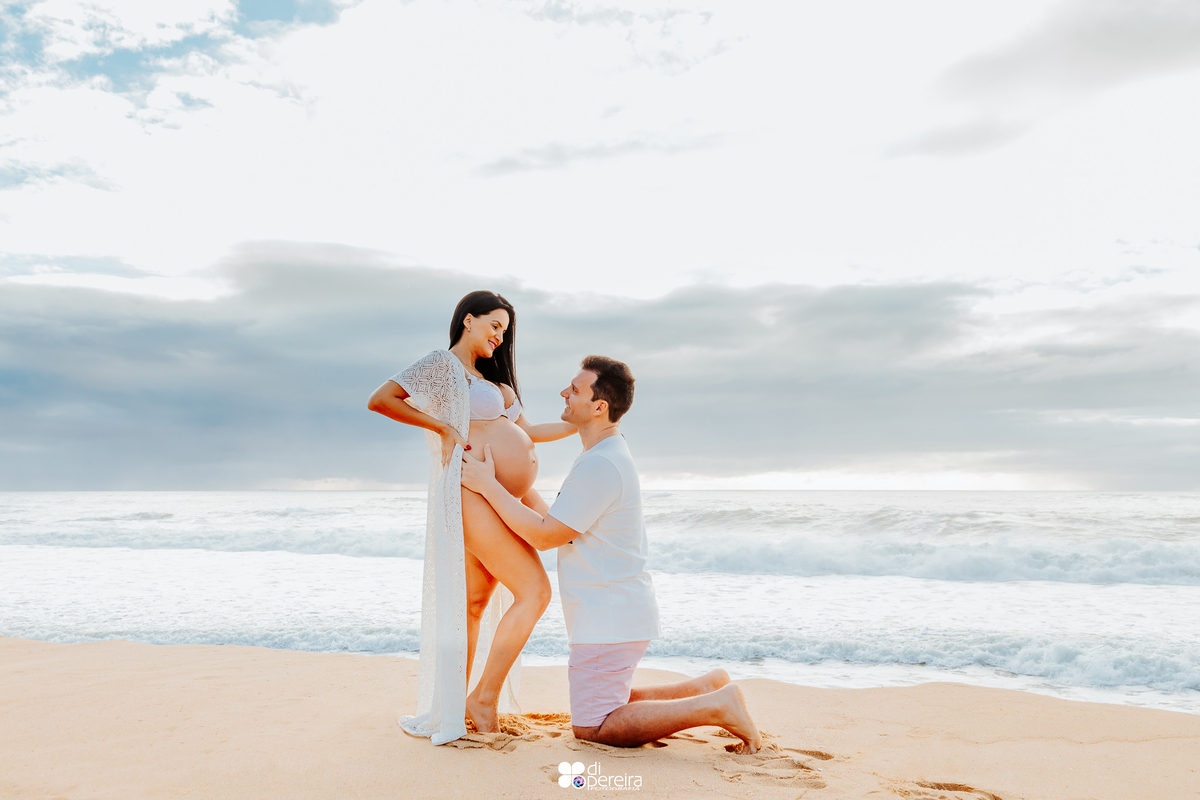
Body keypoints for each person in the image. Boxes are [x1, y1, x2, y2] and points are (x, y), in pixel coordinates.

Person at [460, 355, 761, 752]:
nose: (564, 393)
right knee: (609, 705)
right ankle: (703, 689)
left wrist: (487, 486)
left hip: (608, 619)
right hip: (614, 614)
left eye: (576, 389)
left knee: (594, 726)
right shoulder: (602, 457)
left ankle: (716, 706)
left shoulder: (601, 465)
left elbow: (546, 536)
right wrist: (506, 484)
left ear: (599, 407)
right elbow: (560, 522)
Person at [367, 290, 577, 744]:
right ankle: (479, 701)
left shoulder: (495, 384)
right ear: (468, 320)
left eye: (505, 331)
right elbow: (382, 399)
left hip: (496, 497)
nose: (500, 337)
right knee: (535, 591)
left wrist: (585, 423)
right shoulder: (443, 366)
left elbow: (528, 433)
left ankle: (452, 707)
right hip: (469, 495)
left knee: (474, 604)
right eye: (494, 325)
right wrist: (442, 426)